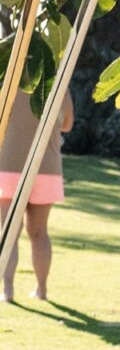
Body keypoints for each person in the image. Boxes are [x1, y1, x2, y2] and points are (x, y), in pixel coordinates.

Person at [1, 88, 73, 302]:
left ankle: (7, 291)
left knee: (8, 232)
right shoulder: (59, 84)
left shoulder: (9, 76)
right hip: (47, 167)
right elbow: (68, 124)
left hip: (9, 164)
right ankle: (41, 290)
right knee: (40, 232)